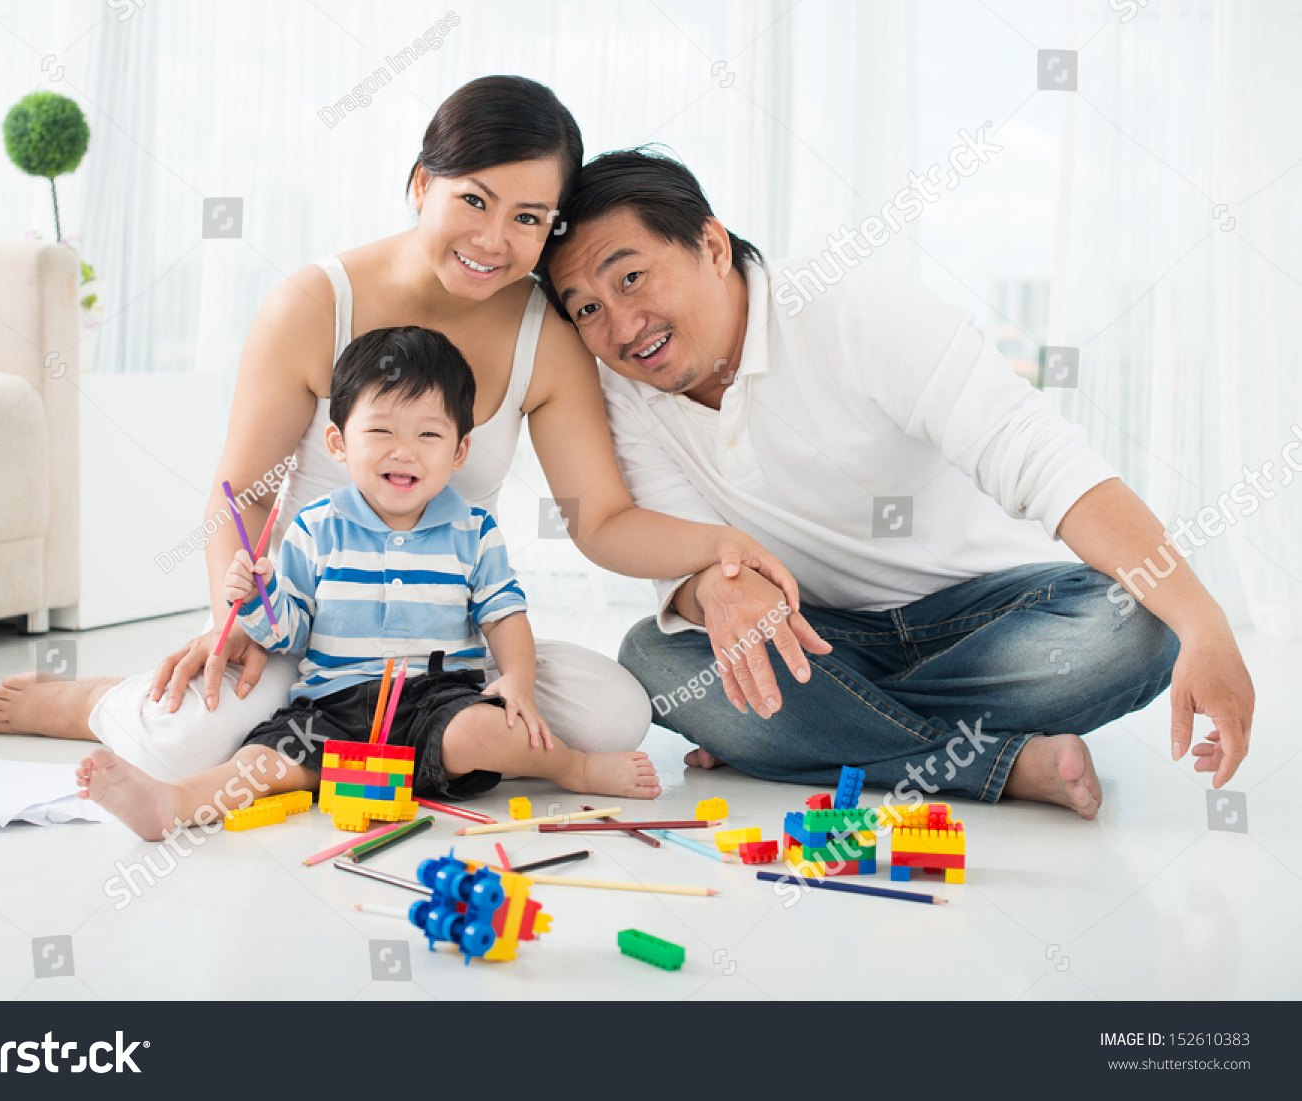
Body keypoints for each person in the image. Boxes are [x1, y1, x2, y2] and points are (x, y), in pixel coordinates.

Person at [0, 78, 797, 784]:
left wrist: (721, 546)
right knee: (177, 748)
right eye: (472, 199)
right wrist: (239, 626)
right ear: (420, 183)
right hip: (305, 633)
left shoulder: (547, 334)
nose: (492, 240)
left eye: (528, 218)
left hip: (446, 652)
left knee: (614, 714)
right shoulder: (313, 303)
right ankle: (97, 702)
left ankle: (362, 744)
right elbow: (240, 498)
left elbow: (605, 520)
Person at [538, 148, 1255, 819]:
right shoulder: (621, 391)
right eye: (587, 308)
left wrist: (1202, 618)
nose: (623, 326)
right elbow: (688, 549)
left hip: (987, 615)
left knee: (1136, 627)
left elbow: (1040, 455)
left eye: (631, 277)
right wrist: (714, 584)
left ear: (712, 244)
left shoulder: (852, 310)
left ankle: (812, 735)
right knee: (657, 659)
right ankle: (996, 764)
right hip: (817, 636)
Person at [79, 326, 658, 841]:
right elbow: (291, 631)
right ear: (339, 444)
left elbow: (503, 615)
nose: (403, 451)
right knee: (259, 764)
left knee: (491, 729)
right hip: (332, 705)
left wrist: (520, 681)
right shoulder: (314, 528)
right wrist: (259, 599)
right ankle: (171, 804)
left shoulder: (473, 530)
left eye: (428, 436)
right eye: (379, 430)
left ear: (459, 452)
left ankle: (575, 769)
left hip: (436, 699)